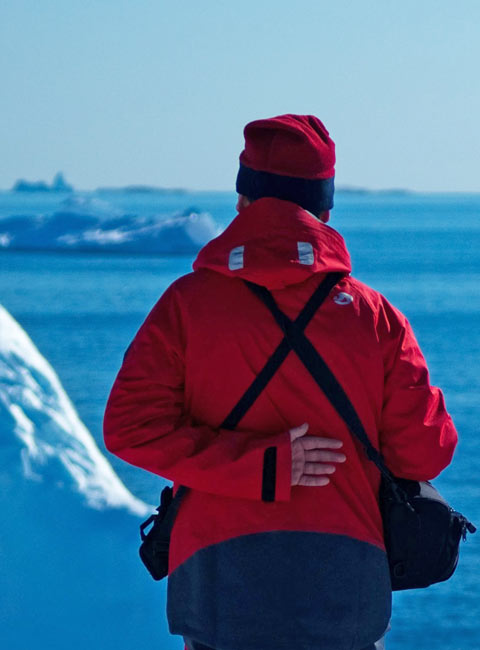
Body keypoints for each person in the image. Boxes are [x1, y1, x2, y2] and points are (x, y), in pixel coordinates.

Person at [103, 114, 458, 650]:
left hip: (217, 574)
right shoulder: (374, 316)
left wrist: (256, 464)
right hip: (345, 575)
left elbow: (130, 430)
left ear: (243, 204)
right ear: (326, 210)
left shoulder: (186, 305)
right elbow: (423, 455)